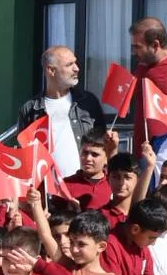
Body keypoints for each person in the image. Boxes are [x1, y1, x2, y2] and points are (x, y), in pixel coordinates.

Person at [15, 46, 107, 178]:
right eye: (69, 65)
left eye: (75, 62)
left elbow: (102, 145)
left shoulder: (88, 102)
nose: (76, 68)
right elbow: (24, 154)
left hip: (85, 185)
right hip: (48, 190)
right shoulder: (30, 109)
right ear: (51, 70)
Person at [63, 128, 115, 211]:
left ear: (106, 158)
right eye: (85, 152)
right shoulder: (64, 185)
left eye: (95, 154)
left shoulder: (114, 184)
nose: (88, 158)